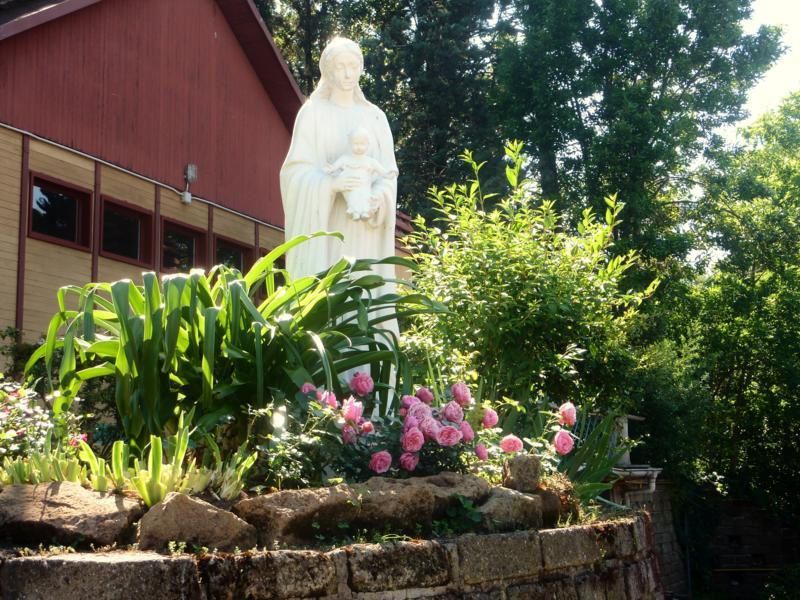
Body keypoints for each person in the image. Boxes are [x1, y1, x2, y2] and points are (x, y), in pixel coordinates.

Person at [280, 37, 398, 286]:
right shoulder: (313, 113)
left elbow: (389, 173)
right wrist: (331, 185)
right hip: (330, 232)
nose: (348, 74)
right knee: (333, 295)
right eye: (341, 67)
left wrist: (380, 196)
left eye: (353, 67)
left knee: (364, 296)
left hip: (366, 230)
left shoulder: (376, 117)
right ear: (329, 71)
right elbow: (294, 173)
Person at [325, 127, 398, 221]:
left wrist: (389, 174)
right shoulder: (345, 159)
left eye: (362, 144)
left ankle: (364, 212)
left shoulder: (371, 161)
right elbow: (335, 167)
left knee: (364, 199)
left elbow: (382, 171)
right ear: (350, 144)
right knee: (353, 198)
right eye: (355, 144)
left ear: (368, 145)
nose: (359, 147)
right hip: (350, 185)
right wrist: (330, 169)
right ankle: (354, 213)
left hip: (364, 186)